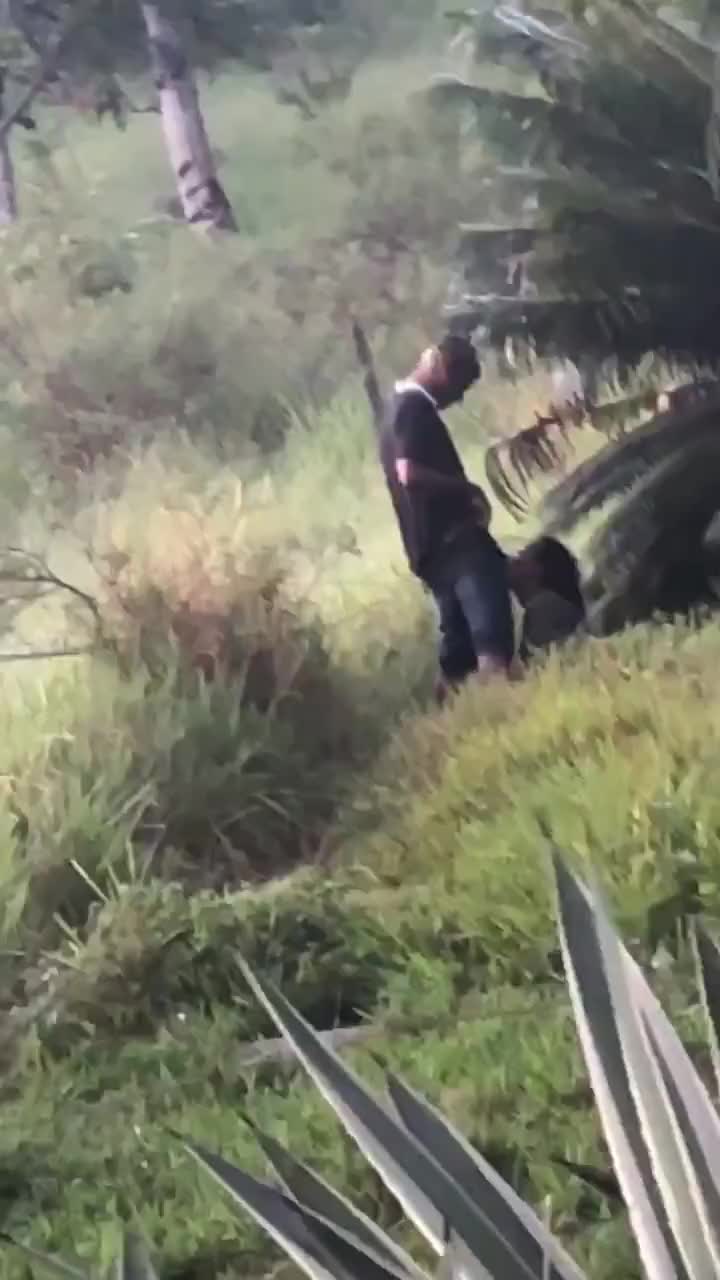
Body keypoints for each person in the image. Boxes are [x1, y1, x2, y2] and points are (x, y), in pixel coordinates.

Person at [380, 334, 515, 704]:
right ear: (441, 368)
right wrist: (466, 490)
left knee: (458, 655)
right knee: (491, 640)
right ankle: (505, 712)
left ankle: (450, 721)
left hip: (429, 549)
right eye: (461, 384)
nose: (458, 397)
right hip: (457, 543)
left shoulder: (394, 408)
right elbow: (409, 473)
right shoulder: (413, 407)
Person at [509, 536, 586, 663]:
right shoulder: (557, 606)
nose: (512, 562)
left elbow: (538, 661)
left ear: (537, 570)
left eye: (520, 560)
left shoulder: (544, 608)